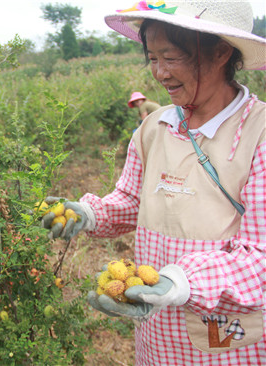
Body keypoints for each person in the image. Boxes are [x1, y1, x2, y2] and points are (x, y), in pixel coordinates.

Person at [41, 0, 266, 364]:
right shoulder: (154, 127)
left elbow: (261, 255)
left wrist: (180, 281)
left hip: (227, 342)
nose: (160, 73)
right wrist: (89, 213)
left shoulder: (259, 135)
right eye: (152, 57)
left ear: (222, 52)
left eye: (172, 57)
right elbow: (132, 199)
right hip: (156, 338)